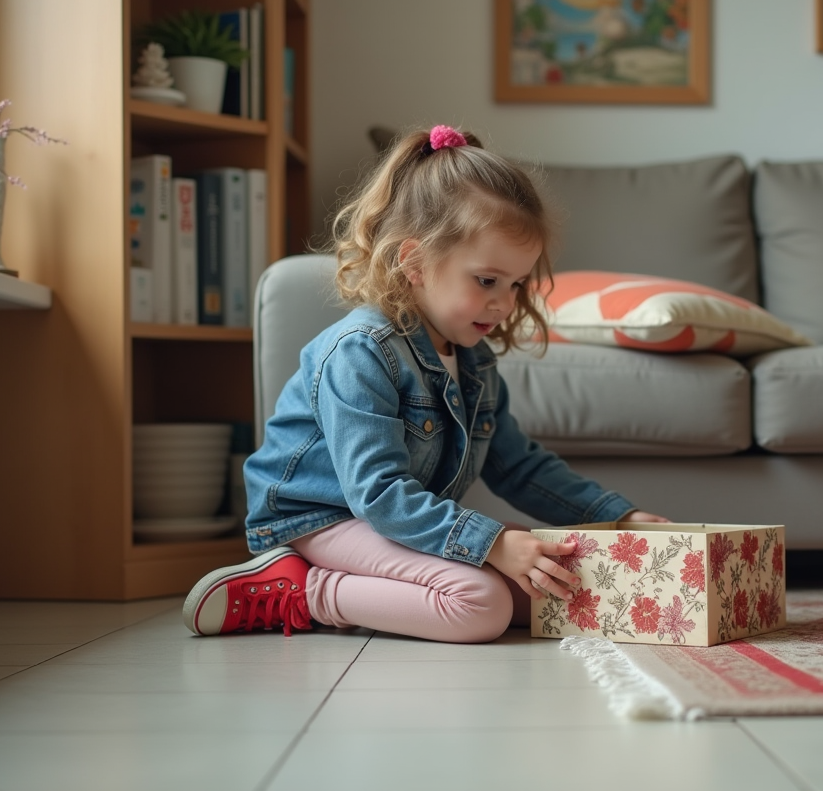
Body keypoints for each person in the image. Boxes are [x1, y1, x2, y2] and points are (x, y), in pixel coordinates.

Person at [182, 124, 669, 643]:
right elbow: (378, 493)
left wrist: (618, 516)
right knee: (480, 605)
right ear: (413, 262)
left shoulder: (475, 362)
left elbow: (520, 467)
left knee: (550, 588)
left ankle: (340, 586)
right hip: (319, 521)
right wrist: (493, 542)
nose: (504, 303)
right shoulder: (362, 351)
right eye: (487, 280)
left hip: (389, 522)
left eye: (516, 284)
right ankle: (303, 591)